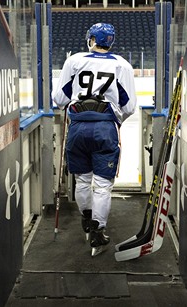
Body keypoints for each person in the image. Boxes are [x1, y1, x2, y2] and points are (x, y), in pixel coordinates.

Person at [52, 23, 137, 256]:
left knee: (82, 179)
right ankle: (97, 234)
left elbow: (59, 98)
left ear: (91, 40)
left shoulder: (74, 60)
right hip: (105, 127)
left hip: (78, 127)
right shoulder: (122, 64)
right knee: (102, 185)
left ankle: (87, 220)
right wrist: (114, 121)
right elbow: (129, 106)